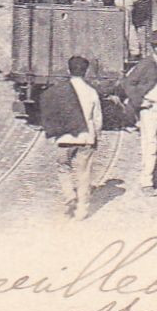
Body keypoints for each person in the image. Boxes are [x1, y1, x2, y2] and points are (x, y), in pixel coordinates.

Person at [40, 56, 102, 221]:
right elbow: (98, 120)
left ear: (69, 70)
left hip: (64, 138)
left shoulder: (59, 91)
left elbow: (51, 112)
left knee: (63, 168)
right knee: (84, 174)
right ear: (86, 71)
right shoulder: (92, 92)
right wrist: (96, 136)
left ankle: (69, 195)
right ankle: (82, 210)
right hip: (86, 139)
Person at [123, 30, 157, 193]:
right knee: (150, 144)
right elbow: (129, 83)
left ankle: (156, 174)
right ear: (152, 47)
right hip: (150, 108)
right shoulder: (145, 64)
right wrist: (140, 101)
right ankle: (146, 181)